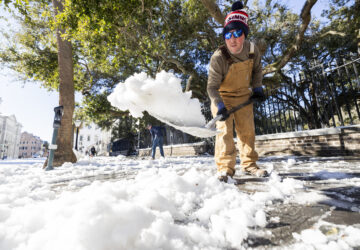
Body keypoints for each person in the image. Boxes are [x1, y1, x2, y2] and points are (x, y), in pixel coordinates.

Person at [207, 1, 268, 182]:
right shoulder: (219, 57)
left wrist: (257, 87)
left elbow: (257, 70)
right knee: (224, 132)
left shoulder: (252, 50)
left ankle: (250, 165)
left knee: (247, 132)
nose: (232, 39)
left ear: (245, 35)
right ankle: (225, 169)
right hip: (222, 97)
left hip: (243, 96)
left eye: (237, 33)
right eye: (228, 34)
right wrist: (219, 105)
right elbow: (211, 86)